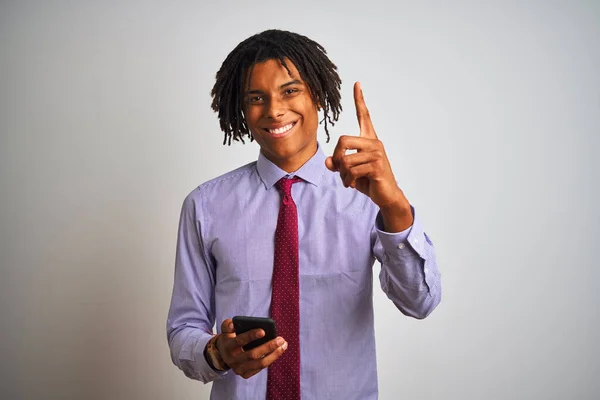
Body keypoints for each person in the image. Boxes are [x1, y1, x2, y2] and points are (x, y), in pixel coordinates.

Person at [166, 29, 442, 400]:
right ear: (241, 109)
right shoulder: (205, 206)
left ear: (318, 94)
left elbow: (420, 301)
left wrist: (394, 206)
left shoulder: (366, 196)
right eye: (256, 98)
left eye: (290, 90)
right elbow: (184, 327)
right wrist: (217, 352)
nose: (275, 110)